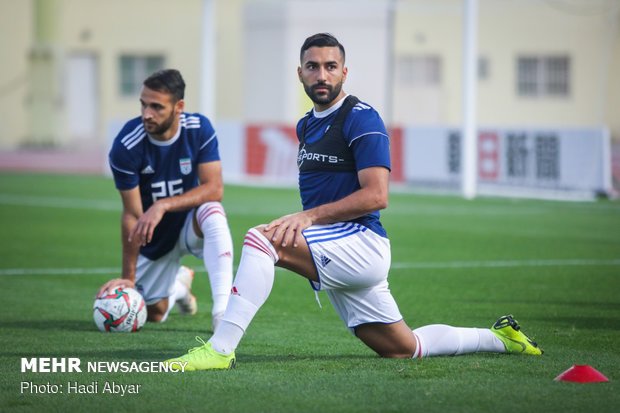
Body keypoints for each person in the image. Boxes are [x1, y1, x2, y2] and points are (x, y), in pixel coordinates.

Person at [165, 33, 542, 370]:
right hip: (337, 244)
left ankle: (219, 349)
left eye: (331, 67)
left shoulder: (362, 118)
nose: (322, 75)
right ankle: (500, 338)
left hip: (361, 243)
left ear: (345, 72)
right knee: (403, 348)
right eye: (313, 67)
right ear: (300, 74)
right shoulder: (306, 124)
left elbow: (377, 195)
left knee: (263, 239)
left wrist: (309, 217)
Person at [97, 69, 234, 328]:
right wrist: (128, 277)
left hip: (187, 226)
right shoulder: (126, 146)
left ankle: (222, 313)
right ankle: (180, 287)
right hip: (153, 236)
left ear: (178, 107)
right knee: (154, 314)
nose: (147, 113)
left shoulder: (199, 129)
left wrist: (163, 204)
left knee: (213, 209)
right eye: (144, 104)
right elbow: (132, 215)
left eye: (157, 107)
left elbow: (214, 188)